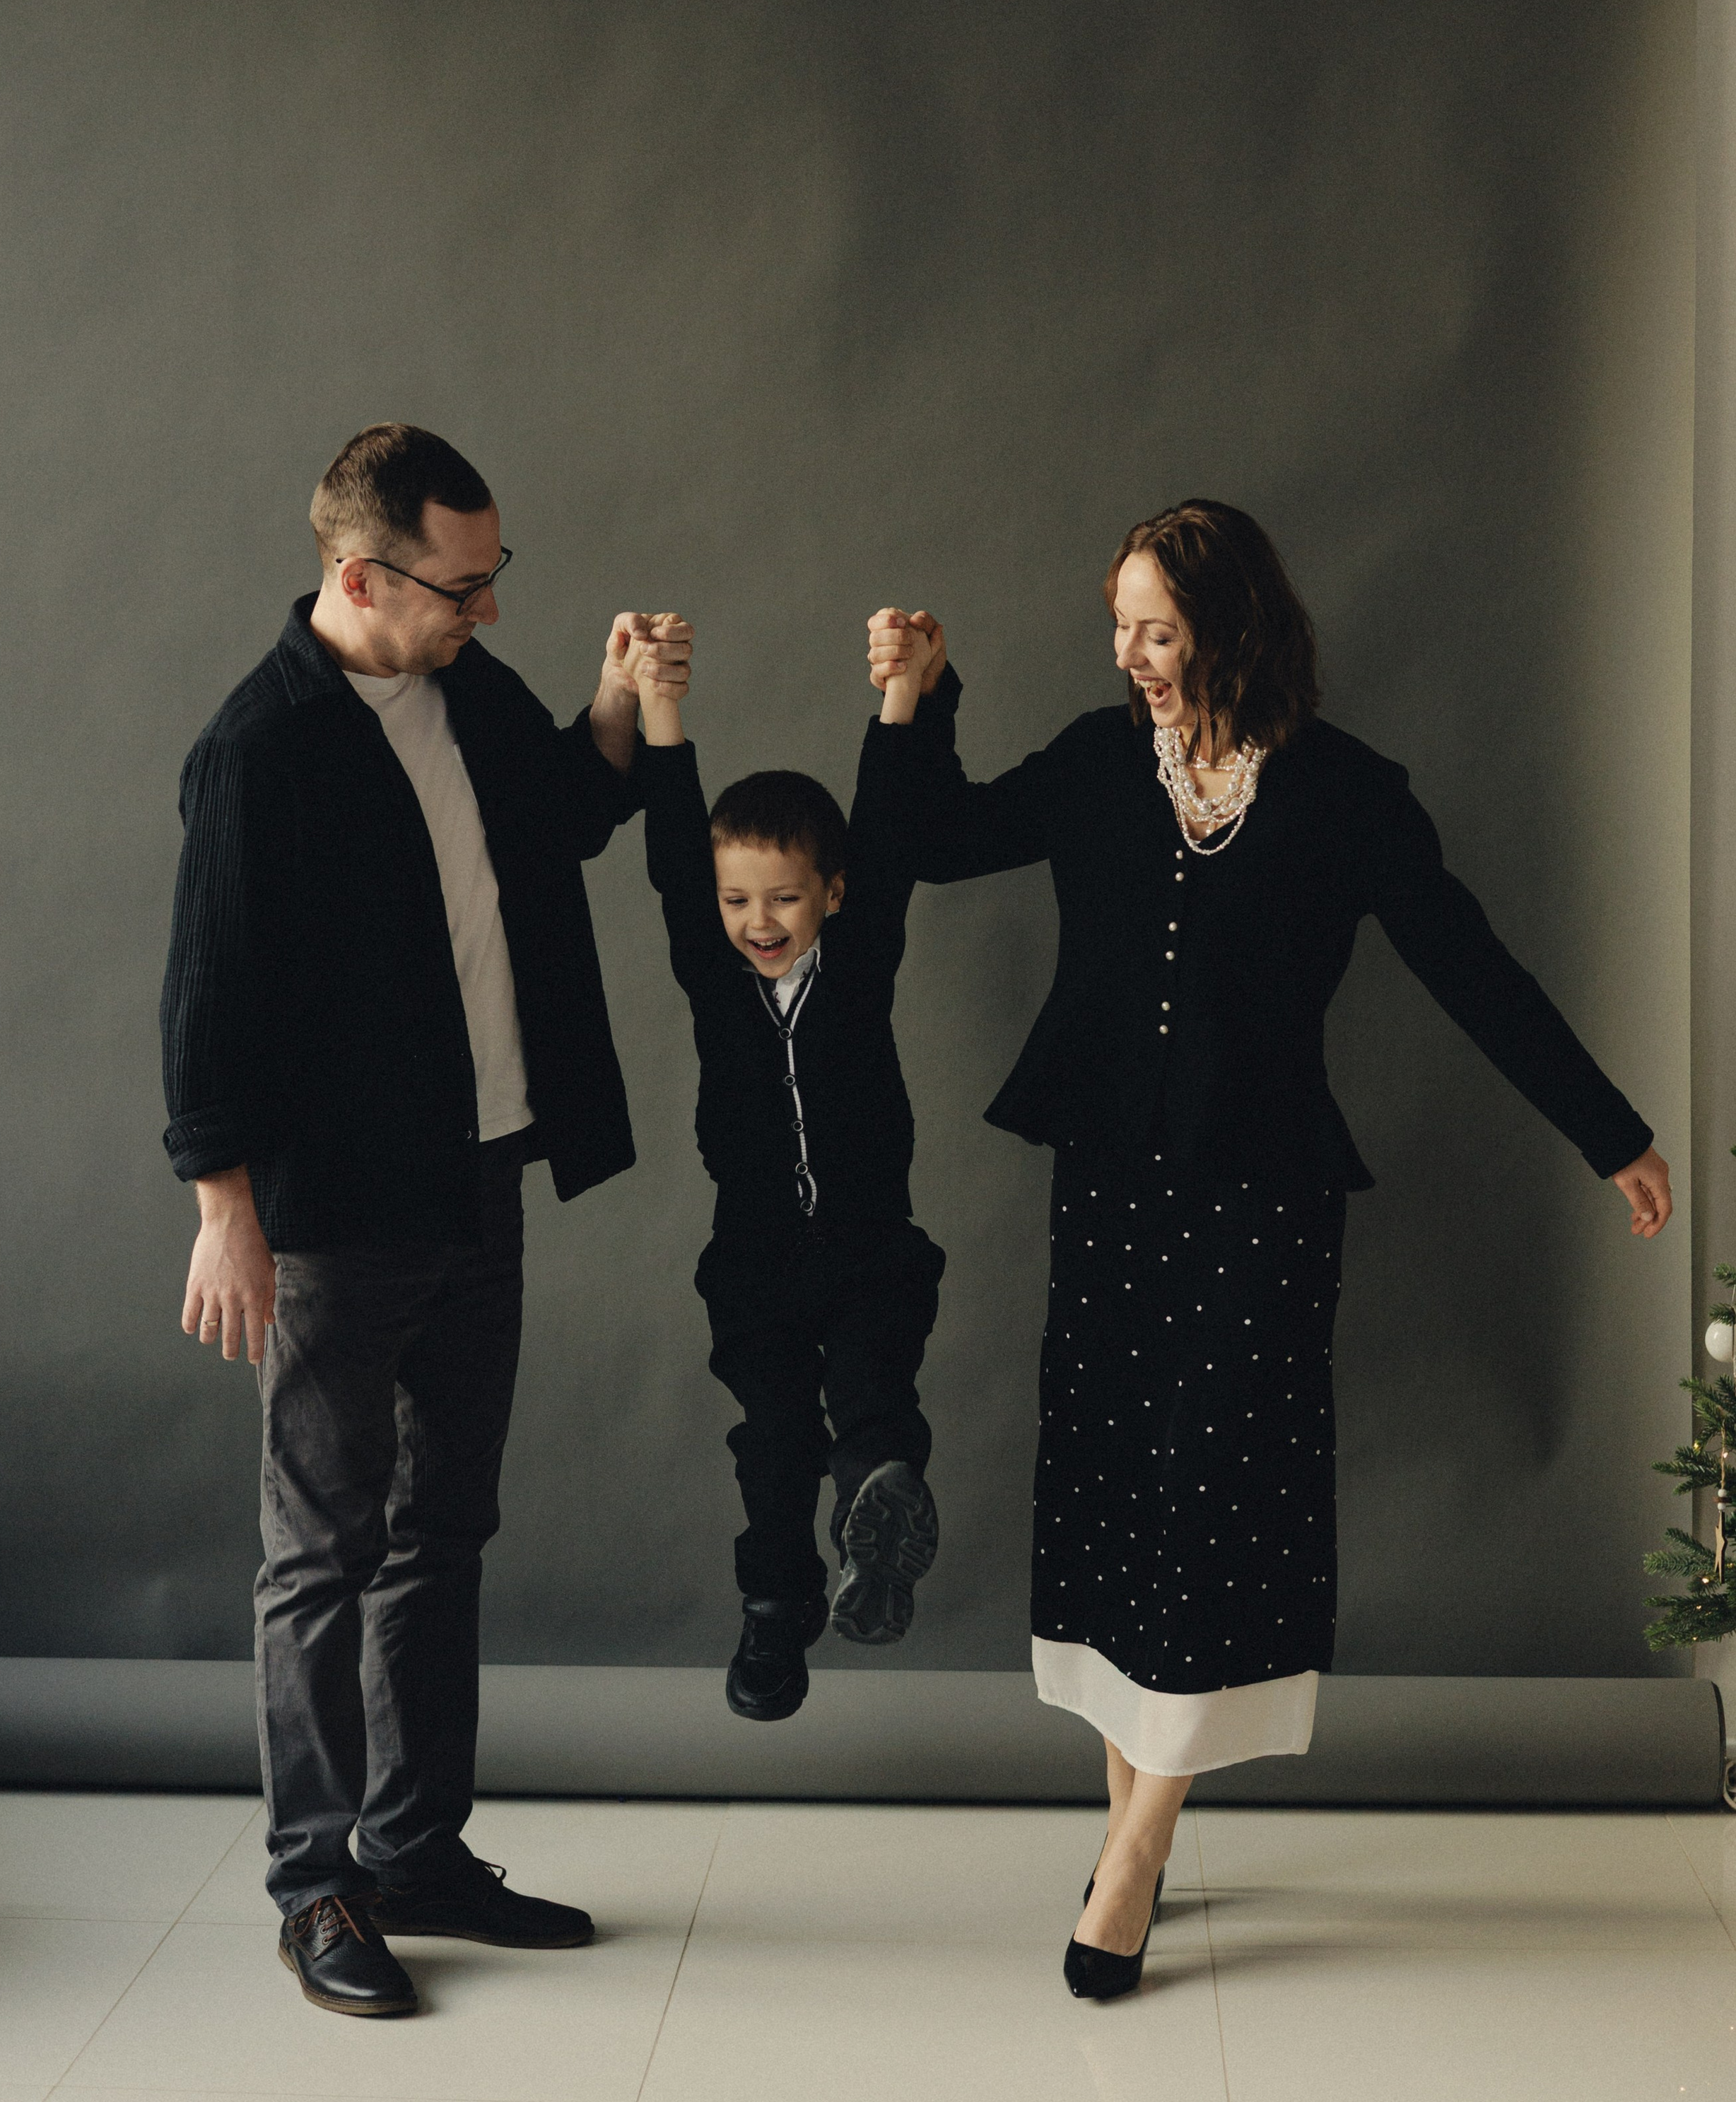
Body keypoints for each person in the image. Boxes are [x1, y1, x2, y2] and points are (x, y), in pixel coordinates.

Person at [868, 500, 1670, 2002]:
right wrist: (908, 695)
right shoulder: (1097, 763)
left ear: (1231, 626)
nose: (1130, 657)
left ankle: (1130, 1853)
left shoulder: (1346, 794)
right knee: (1112, 1483)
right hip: (1106, 1185)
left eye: (1156, 630)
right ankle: (1137, 1834)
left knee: (1209, 1492)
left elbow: (1470, 967)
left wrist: (1606, 1129)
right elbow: (923, 837)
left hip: (1260, 1203)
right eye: (1117, 627)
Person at [160, 421, 691, 2020]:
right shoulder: (258, 751)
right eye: (463, 588)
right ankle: (315, 1886)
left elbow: (565, 815)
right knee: (318, 1553)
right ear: (359, 574)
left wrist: (612, 698)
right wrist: (223, 1211)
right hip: (334, 1216)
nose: (486, 611)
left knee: (442, 1534)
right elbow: (207, 1004)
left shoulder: (461, 692)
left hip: (479, 1178)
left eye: (494, 579)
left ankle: (415, 1851)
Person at [632, 611, 948, 1721]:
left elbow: (894, 828)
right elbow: (675, 857)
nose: (757, 922)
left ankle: (879, 1512)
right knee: (771, 1445)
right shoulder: (715, 978)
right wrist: (660, 706)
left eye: (784, 898)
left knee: (872, 1398)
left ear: (832, 896)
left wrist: (902, 694)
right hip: (756, 1260)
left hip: (868, 1249)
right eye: (738, 901)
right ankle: (778, 1610)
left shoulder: (859, 965)